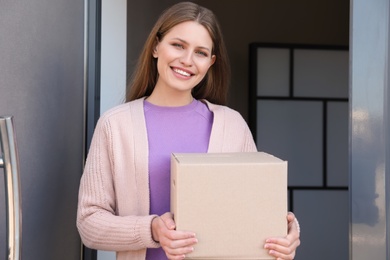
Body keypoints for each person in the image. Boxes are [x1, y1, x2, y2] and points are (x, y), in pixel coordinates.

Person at [76, 2, 301, 260]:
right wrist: (152, 229)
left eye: (201, 52)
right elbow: (89, 223)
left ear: (211, 62)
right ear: (156, 47)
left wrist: (287, 233)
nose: (187, 60)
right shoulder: (115, 125)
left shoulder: (232, 125)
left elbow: (254, 210)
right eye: (178, 45)